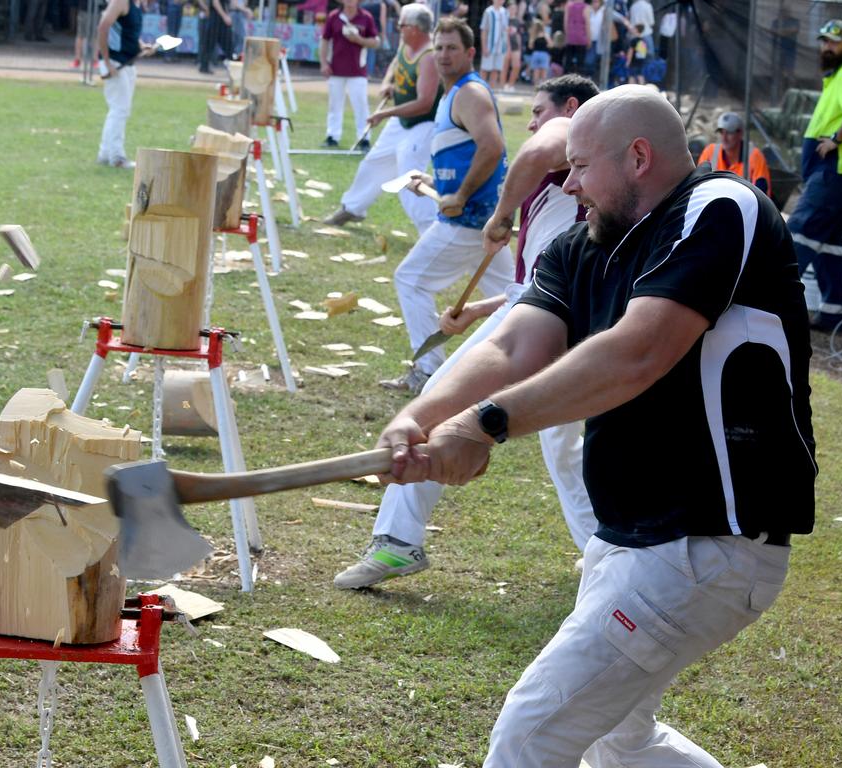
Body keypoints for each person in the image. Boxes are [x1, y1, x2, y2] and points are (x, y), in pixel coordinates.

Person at [375, 84, 815, 767]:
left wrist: (486, 423)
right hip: (632, 540)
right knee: (621, 742)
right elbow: (511, 346)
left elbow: (639, 351)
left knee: (531, 734)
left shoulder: (718, 209)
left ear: (638, 156)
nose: (569, 184)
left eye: (580, 167)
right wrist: (419, 417)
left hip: (707, 543)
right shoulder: (579, 247)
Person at [334, 74, 600, 590]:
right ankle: (604, 549)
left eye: (538, 111)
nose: (534, 122)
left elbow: (531, 154)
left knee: (439, 405)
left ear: (569, 106)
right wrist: (478, 310)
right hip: (559, 310)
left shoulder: (573, 133)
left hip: (549, 316)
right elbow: (540, 280)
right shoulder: (588, 175)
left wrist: (500, 217)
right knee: (563, 444)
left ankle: (397, 542)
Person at [377, 17, 514, 393]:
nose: (443, 55)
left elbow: (493, 147)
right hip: (479, 220)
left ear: (470, 53)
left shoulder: (469, 92)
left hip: (468, 220)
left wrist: (462, 194)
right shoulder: (453, 94)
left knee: (410, 279)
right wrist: (436, 183)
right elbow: (468, 155)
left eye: (452, 48)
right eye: (438, 47)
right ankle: (538, 358)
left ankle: (427, 373)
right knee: (519, 295)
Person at [323, 2, 441, 232]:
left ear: (415, 28)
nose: (398, 28)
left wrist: (384, 113)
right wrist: (388, 84)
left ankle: (431, 230)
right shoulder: (406, 45)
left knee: (409, 175)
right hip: (401, 119)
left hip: (423, 123)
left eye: (401, 25)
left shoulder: (429, 57)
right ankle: (353, 208)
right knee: (374, 161)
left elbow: (424, 103)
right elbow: (395, 66)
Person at [788, 19, 842, 333]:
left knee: (799, 230)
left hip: (834, 172)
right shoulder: (835, 76)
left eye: (834, 42)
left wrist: (835, 140)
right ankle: (835, 313)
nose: (827, 47)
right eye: (824, 41)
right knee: (831, 243)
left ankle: (768, 301)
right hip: (833, 174)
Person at [95, 0, 151, 168]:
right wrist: (107, 61)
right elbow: (103, 27)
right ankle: (117, 157)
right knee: (119, 109)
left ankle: (105, 153)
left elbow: (127, 31)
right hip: (115, 62)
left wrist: (141, 45)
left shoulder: (135, 4)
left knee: (119, 109)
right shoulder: (121, 2)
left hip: (127, 62)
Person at [320, 0, 380, 148]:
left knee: (361, 104)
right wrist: (323, 62)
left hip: (357, 70)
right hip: (336, 69)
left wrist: (358, 39)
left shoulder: (366, 17)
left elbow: (375, 42)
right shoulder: (334, 16)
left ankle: (364, 137)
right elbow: (325, 40)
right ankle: (332, 136)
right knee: (334, 104)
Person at [696, 111, 771, 197]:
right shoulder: (710, 152)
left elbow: (761, 194)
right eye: (721, 132)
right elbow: (699, 185)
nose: (724, 138)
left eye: (729, 132)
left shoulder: (755, 155)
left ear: (740, 133)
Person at [479, 0, 509, 90]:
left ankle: (491, 90)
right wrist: (484, 47)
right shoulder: (488, 11)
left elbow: (505, 30)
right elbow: (484, 30)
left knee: (496, 69)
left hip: (500, 46)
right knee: (485, 68)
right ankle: (480, 89)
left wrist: (506, 45)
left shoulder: (505, 12)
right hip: (489, 45)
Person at [561, 0, 589, 76]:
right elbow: (587, 25)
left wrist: (567, 36)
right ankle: (579, 81)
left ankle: (566, 80)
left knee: (568, 62)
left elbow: (565, 22)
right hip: (581, 38)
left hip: (570, 38)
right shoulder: (585, 7)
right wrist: (589, 38)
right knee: (580, 63)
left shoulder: (568, 5)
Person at [527, 18, 549, 85]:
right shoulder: (545, 34)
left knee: (536, 72)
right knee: (544, 72)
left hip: (535, 54)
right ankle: (543, 87)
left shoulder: (533, 35)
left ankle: (536, 87)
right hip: (544, 54)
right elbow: (551, 44)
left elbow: (530, 46)